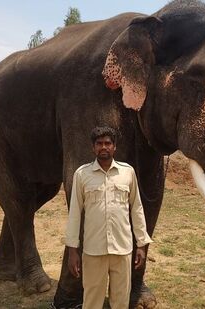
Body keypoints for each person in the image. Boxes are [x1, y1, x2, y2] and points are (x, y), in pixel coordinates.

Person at [64, 126, 153, 309]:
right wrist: (73, 251)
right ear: (93, 148)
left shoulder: (127, 173)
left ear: (114, 147)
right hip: (93, 250)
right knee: (92, 301)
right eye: (99, 144)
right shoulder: (82, 174)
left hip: (122, 249)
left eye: (107, 143)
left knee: (120, 301)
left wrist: (142, 244)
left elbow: (136, 208)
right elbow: (74, 213)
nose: (103, 147)